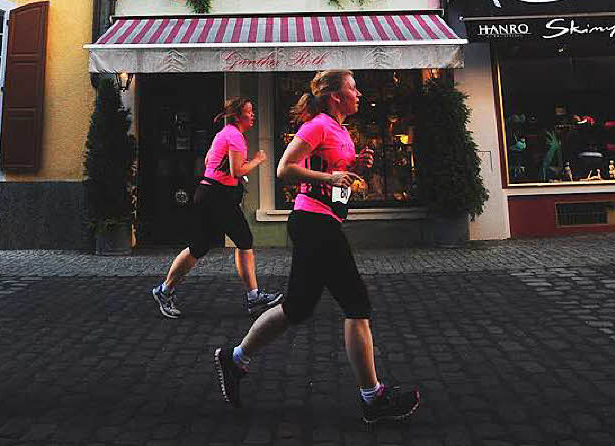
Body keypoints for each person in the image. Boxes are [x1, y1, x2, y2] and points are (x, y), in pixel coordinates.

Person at [214, 70, 421, 425]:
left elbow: (334, 171)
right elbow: (283, 168)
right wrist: (330, 177)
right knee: (356, 304)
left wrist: (354, 166)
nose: (359, 93)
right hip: (315, 223)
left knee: (296, 308)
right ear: (335, 96)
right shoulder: (317, 126)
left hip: (323, 222)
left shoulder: (338, 129)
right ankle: (373, 397)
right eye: (353, 88)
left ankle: (235, 359)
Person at [152, 98, 282, 319]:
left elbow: (209, 161)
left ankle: (164, 291)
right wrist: (259, 159)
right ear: (239, 116)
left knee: (199, 247)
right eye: (250, 112)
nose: (253, 115)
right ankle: (253, 297)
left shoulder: (224, 134)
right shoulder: (234, 136)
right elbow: (237, 171)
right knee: (244, 240)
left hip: (208, 192)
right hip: (216, 196)